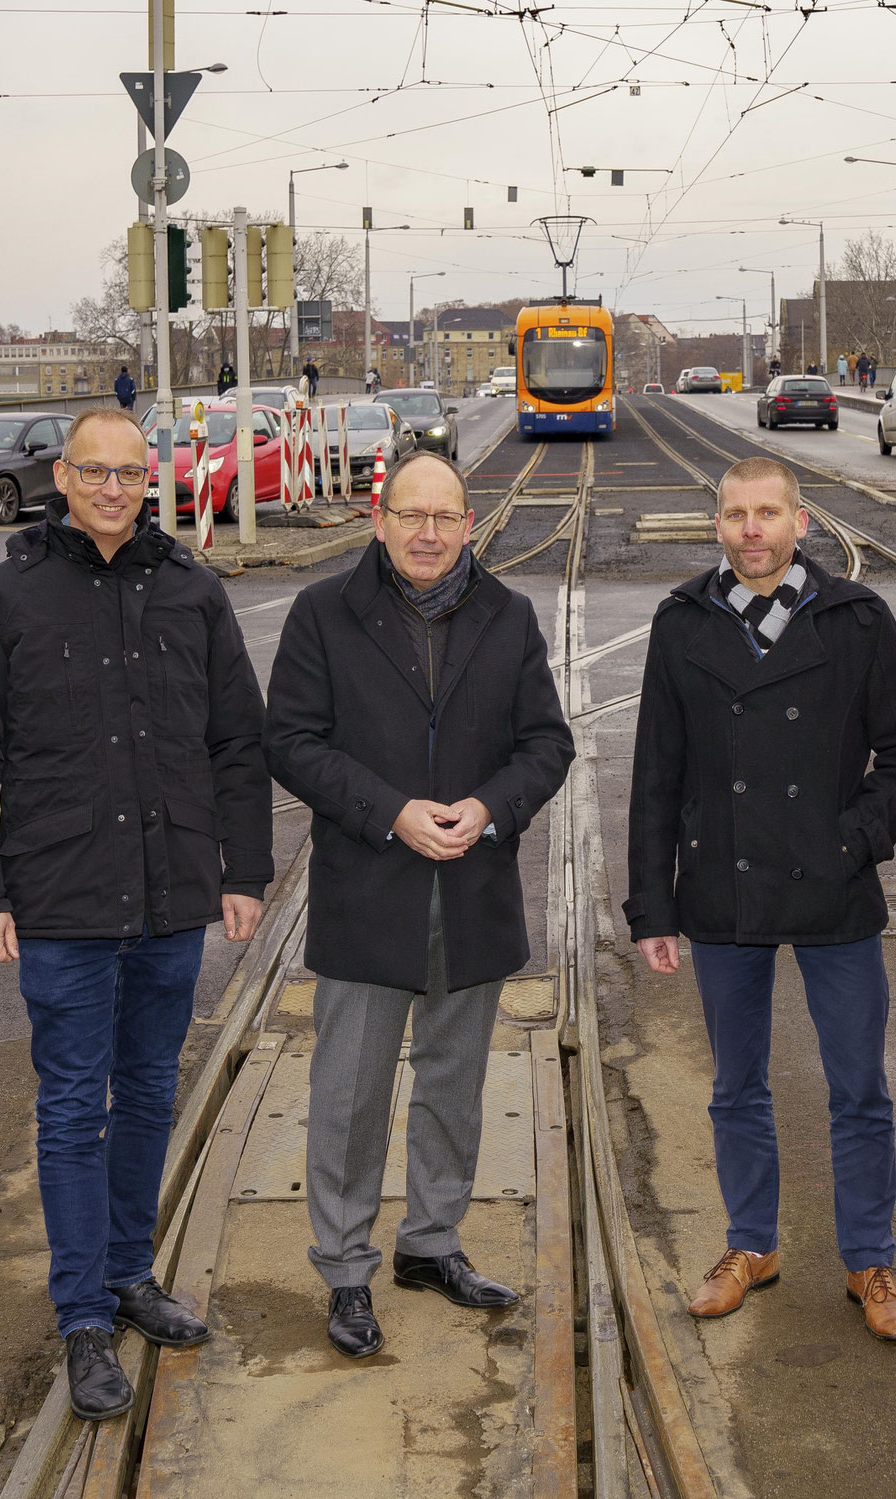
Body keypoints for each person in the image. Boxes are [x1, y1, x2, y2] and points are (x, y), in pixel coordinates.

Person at [0, 406, 274, 1422]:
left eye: (131, 470)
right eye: (96, 470)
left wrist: (242, 871)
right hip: (61, 902)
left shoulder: (192, 591)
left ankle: (130, 1274)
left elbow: (236, 746)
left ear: (149, 477)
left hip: (170, 897)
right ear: (63, 477)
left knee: (151, 1094)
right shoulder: (5, 598)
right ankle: (83, 1313)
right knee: (74, 1109)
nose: (115, 486)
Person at [265, 449, 576, 1360]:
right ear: (380, 520)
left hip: (471, 890)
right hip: (370, 889)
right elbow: (290, 740)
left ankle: (431, 1244)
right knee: (350, 1094)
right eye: (412, 515)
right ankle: (347, 1268)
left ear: (469, 525)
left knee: (454, 1085)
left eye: (446, 517)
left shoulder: (509, 617)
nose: (429, 533)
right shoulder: (324, 613)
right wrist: (390, 811)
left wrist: (489, 808)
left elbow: (546, 744)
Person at [626, 456, 896, 1342]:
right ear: (716, 525)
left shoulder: (855, 618)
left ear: (802, 522)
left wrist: (852, 840)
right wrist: (654, 905)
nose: (751, 529)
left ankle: (869, 1258)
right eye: (735, 514)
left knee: (859, 1087)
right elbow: (656, 775)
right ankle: (750, 1245)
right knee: (737, 1086)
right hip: (724, 886)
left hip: (833, 887)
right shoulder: (683, 621)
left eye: (768, 513)